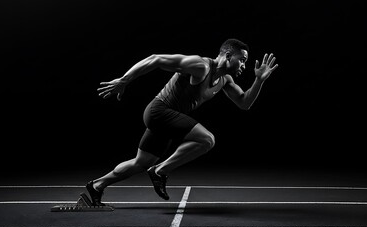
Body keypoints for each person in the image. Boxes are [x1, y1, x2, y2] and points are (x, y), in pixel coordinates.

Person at [86, 38, 278, 205]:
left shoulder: (225, 80)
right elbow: (156, 59)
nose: (244, 66)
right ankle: (160, 171)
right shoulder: (201, 66)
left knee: (140, 163)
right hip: (158, 111)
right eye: (242, 60)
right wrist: (124, 80)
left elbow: (244, 103)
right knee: (207, 140)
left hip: (167, 120)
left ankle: (96, 186)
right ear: (228, 55)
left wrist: (259, 80)